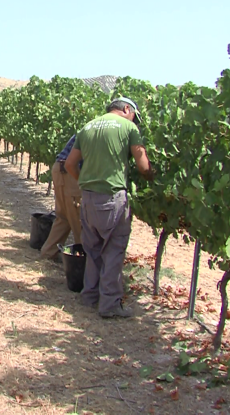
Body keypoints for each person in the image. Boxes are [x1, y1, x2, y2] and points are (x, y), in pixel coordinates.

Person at [63, 97, 154, 318]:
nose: (135, 121)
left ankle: (89, 296)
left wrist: (86, 183)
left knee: (93, 249)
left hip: (89, 199)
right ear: (126, 109)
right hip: (112, 199)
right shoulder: (128, 127)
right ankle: (109, 305)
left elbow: (69, 164)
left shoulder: (88, 127)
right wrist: (153, 178)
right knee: (113, 250)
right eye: (135, 116)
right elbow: (143, 166)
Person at [40, 135, 83, 261]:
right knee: (79, 220)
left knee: (63, 217)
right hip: (72, 170)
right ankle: (83, 262)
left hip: (59, 168)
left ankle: (48, 254)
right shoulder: (109, 129)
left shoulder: (92, 126)